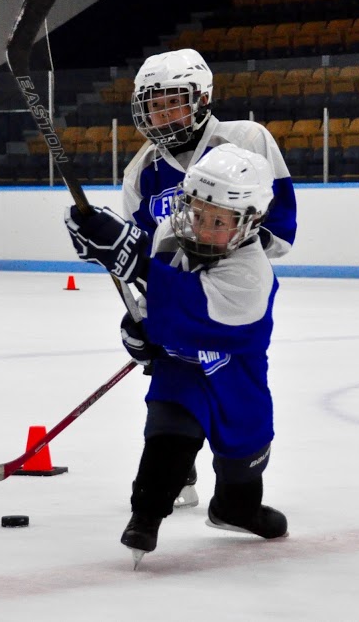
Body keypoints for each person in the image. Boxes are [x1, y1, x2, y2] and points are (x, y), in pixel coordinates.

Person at [64, 144, 288, 567]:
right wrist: (137, 330)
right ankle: (144, 517)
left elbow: (192, 305)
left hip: (234, 377)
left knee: (245, 454)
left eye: (219, 221)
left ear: (249, 222)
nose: (203, 227)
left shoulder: (251, 275)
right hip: (182, 369)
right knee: (168, 438)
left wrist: (135, 263)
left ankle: (235, 509)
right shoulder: (172, 234)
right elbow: (153, 304)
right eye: (198, 212)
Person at [122, 48, 297, 509]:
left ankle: (238, 492)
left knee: (234, 381)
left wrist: (212, 259)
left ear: (201, 98)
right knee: (172, 370)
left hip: (233, 292)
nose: (162, 113)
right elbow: (144, 260)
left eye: (172, 101)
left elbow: (279, 233)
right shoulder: (140, 171)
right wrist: (145, 316)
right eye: (153, 104)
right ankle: (177, 470)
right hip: (180, 297)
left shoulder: (244, 139)